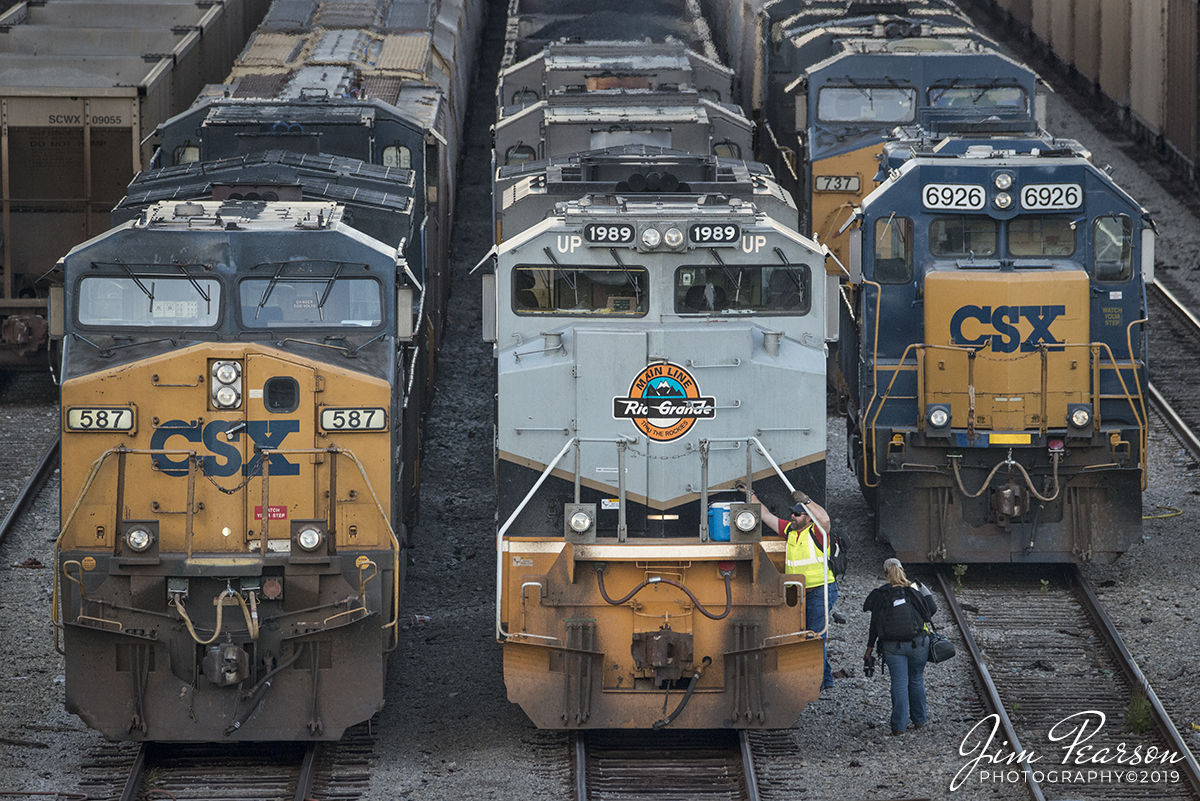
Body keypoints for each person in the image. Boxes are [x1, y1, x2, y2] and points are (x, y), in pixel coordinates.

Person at [751, 487, 837, 690]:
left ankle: (817, 681)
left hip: (820, 590)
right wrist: (750, 495)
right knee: (811, 636)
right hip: (800, 593)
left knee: (814, 636)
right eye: (792, 513)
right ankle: (825, 679)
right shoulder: (790, 531)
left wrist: (808, 501)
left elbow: (824, 518)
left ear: (808, 518)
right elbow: (766, 516)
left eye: (797, 514)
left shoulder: (818, 532)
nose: (793, 516)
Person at [863, 558, 938, 735]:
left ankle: (899, 726)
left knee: (899, 682)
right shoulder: (914, 590)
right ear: (903, 570)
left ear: (885, 573)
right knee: (916, 680)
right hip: (918, 644)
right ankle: (919, 721)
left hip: (892, 647)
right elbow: (930, 613)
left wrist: (869, 647)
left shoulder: (881, 594)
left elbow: (874, 623)